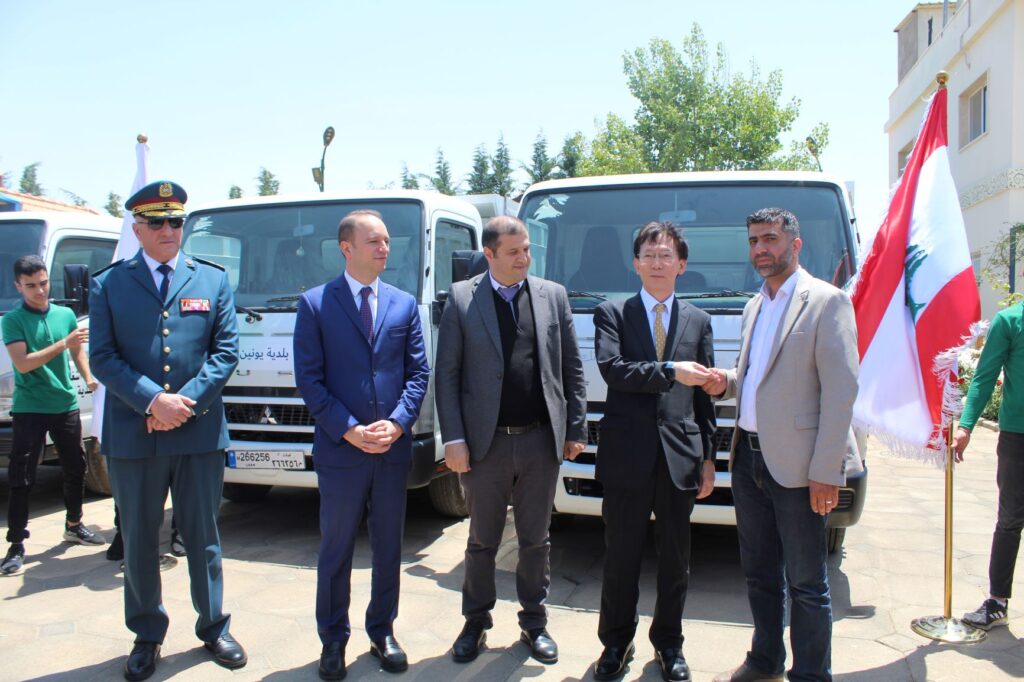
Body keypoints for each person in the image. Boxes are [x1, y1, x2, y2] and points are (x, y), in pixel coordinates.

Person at [89, 181, 245, 681]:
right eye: (155, 222)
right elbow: (103, 358)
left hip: (197, 434)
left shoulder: (213, 280)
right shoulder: (109, 283)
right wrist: (152, 401)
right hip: (135, 436)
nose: (166, 231)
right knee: (138, 540)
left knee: (204, 537)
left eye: (175, 221)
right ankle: (147, 633)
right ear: (136, 228)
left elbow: (224, 353)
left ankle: (214, 626)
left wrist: (182, 404)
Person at [703, 208, 858, 682]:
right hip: (747, 456)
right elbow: (756, 378)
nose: (759, 250)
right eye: (753, 241)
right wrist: (722, 381)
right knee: (759, 573)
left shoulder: (826, 302)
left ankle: (811, 673)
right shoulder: (756, 305)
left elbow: (841, 389)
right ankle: (765, 659)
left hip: (799, 465)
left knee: (807, 582)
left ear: (795, 244)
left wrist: (826, 469)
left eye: (769, 239)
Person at [434, 216, 587, 666]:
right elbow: (447, 376)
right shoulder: (463, 299)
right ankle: (476, 622)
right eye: (514, 251)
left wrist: (574, 429)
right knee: (481, 540)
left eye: (527, 250)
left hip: (541, 442)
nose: (524, 258)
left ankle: (534, 623)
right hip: (485, 446)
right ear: (490, 255)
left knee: (535, 540)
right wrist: (455, 439)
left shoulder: (551, 295)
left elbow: (571, 367)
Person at [294, 209, 429, 680]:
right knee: (336, 549)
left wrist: (396, 423)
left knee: (389, 546)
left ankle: (382, 631)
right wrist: (350, 428)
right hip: (342, 449)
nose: (384, 248)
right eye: (374, 241)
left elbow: (418, 374)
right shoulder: (315, 304)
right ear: (346, 248)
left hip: (391, 450)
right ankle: (333, 639)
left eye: (388, 241)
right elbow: (309, 380)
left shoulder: (403, 304)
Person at [591, 222, 717, 682]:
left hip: (680, 456)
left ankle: (669, 644)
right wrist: (668, 369)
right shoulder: (612, 313)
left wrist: (708, 458)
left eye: (666, 255)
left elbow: (702, 396)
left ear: (681, 265)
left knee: (676, 561)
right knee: (620, 558)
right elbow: (613, 370)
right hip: (628, 457)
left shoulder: (699, 320)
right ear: (635, 263)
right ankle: (615, 644)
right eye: (649, 255)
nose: (657, 263)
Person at [0, 256, 104, 576]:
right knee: (22, 478)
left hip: (65, 405)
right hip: (30, 408)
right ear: (18, 286)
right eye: (31, 286)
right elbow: (24, 363)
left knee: (76, 468)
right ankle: (16, 544)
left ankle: (74, 525)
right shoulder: (13, 320)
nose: (40, 291)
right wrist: (64, 342)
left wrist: (88, 377)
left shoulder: (65, 314)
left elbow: (77, 351)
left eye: (43, 283)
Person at [955, 300, 1024, 631]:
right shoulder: (1009, 322)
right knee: (1010, 519)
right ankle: (997, 602)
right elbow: (985, 375)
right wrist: (966, 425)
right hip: (1017, 438)